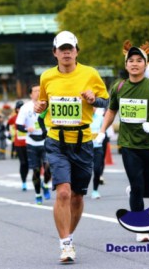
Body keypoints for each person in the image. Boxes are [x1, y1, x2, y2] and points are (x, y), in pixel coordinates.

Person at [34, 31, 109, 263]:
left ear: (77, 51)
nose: (66, 52)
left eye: (70, 48)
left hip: (83, 141)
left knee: (77, 196)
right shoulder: (46, 77)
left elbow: (107, 101)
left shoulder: (90, 74)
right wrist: (40, 107)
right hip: (56, 140)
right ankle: (65, 244)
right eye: (62, 48)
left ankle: (69, 235)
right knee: (63, 191)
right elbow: (45, 104)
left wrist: (92, 99)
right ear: (54, 53)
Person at [97, 42, 149, 243]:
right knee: (138, 186)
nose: (135, 64)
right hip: (129, 145)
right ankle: (141, 227)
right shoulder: (119, 87)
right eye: (131, 60)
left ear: (145, 65)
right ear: (126, 64)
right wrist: (102, 131)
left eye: (139, 60)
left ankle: (136, 190)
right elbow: (111, 110)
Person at [17, 84, 52, 204]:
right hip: (31, 142)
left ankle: (46, 184)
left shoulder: (48, 105)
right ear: (31, 94)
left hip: (46, 141)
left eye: (39, 90)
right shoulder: (25, 108)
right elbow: (19, 125)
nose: (38, 92)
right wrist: (27, 129)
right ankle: (38, 194)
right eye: (35, 91)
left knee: (48, 167)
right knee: (36, 171)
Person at [7, 100, 29, 191]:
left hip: (28, 143)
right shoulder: (14, 118)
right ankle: (23, 182)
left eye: (21, 108)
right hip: (18, 144)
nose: (20, 110)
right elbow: (7, 125)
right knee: (23, 163)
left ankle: (26, 180)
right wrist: (9, 134)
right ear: (16, 109)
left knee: (27, 164)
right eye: (18, 108)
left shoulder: (28, 117)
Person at [89, 107, 106, 200]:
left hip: (97, 147)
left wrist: (100, 136)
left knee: (97, 169)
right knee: (84, 171)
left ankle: (95, 190)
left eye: (95, 106)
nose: (93, 108)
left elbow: (104, 131)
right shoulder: (84, 117)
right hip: (85, 148)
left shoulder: (100, 118)